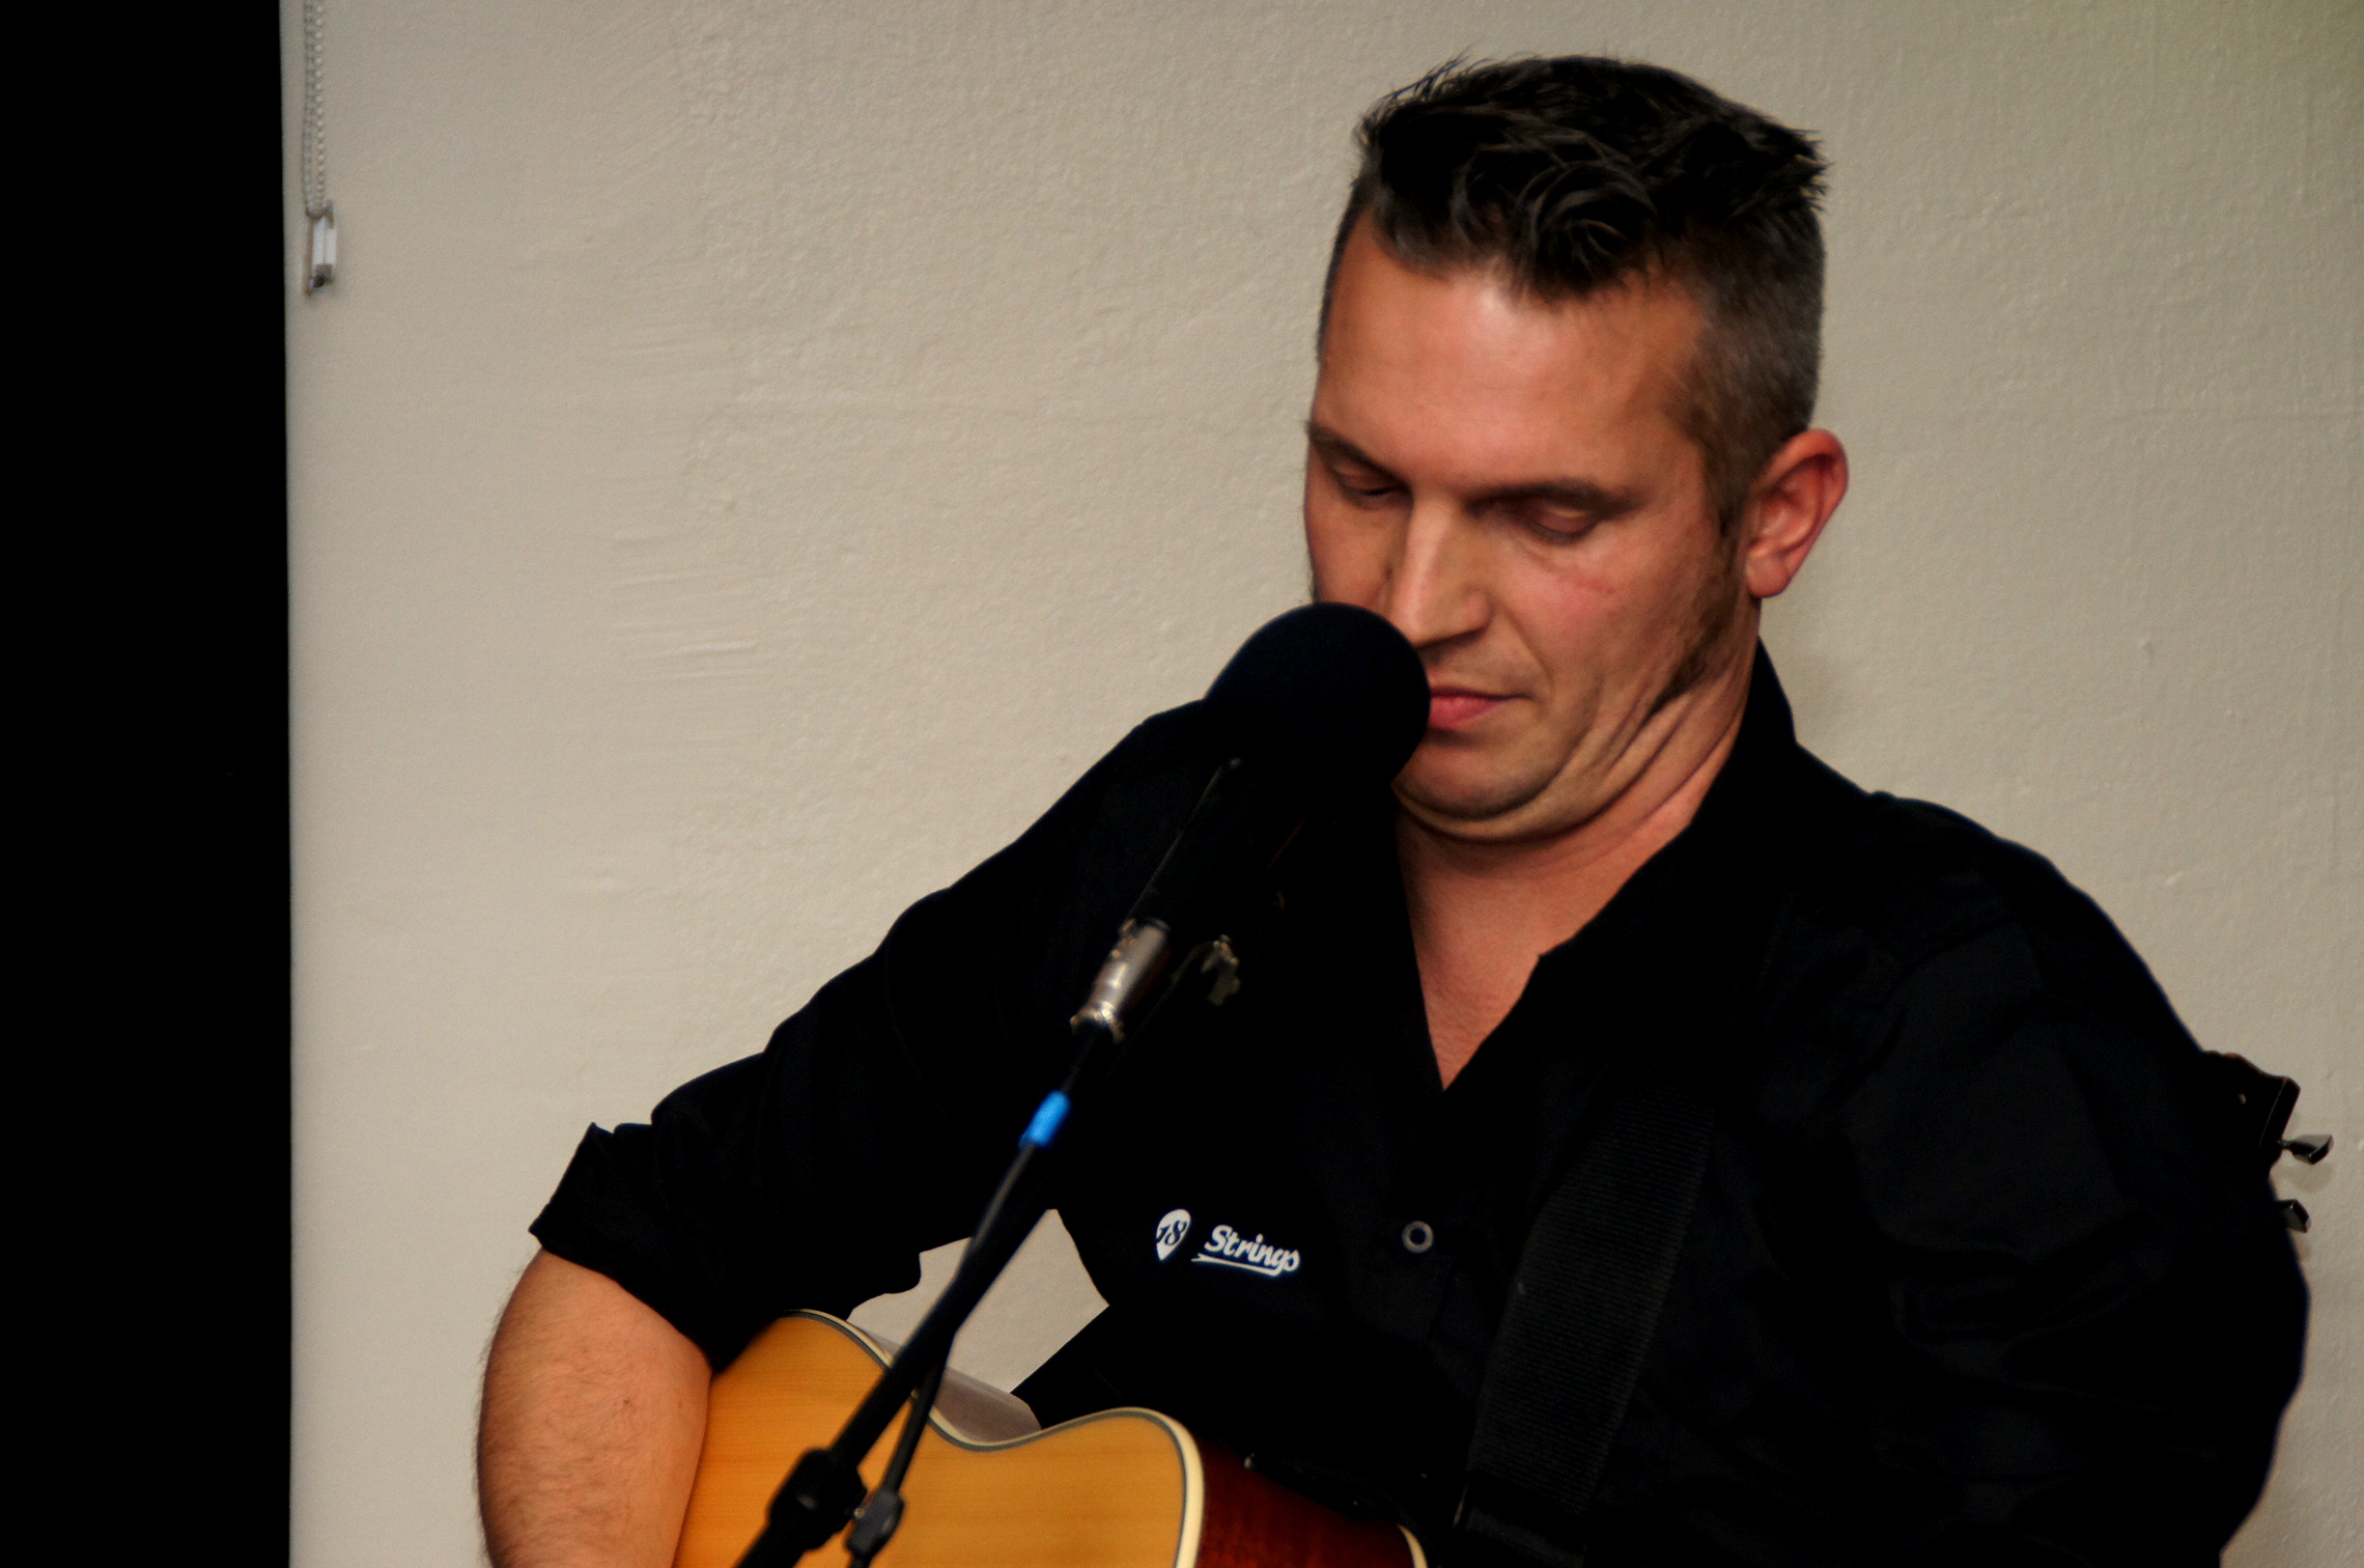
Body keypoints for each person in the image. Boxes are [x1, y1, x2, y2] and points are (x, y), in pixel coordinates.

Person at [477, 57, 2305, 1568]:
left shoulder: (1990, 1052)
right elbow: (636, 1255)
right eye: (1362, 480)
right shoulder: (1194, 833)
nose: (1412, 603)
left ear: (1776, 516)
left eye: (1547, 516)